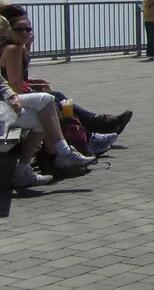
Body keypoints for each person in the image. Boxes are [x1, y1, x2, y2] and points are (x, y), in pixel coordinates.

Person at [0, 18, 96, 187]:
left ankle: (23, 171)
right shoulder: (13, 50)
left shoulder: (18, 49)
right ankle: (64, 151)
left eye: (3, 39)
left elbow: (2, 84)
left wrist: (11, 96)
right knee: (46, 100)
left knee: (42, 118)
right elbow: (15, 83)